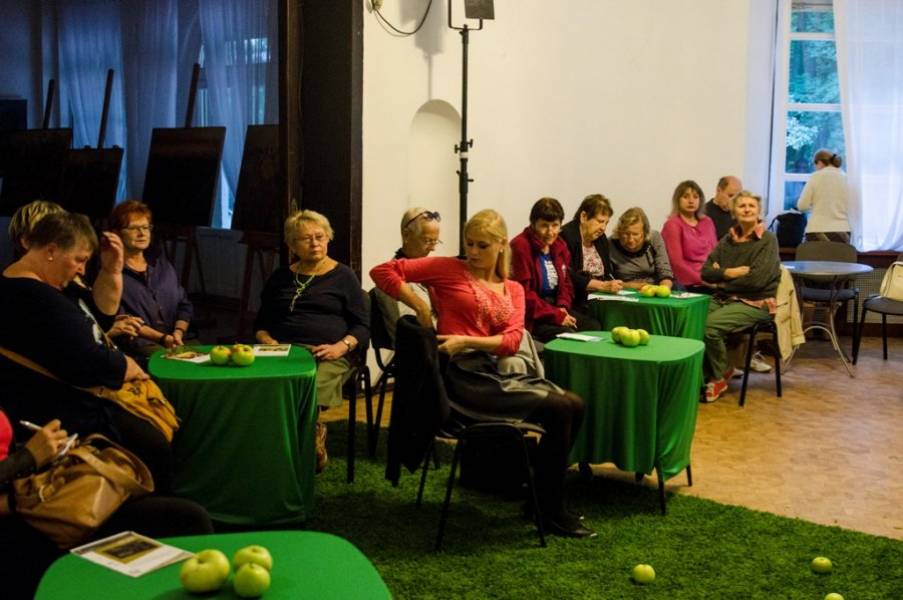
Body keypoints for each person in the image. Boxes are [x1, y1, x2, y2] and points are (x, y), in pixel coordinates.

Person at [371, 209, 594, 538]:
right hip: (462, 380)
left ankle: (541, 499)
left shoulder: (514, 289)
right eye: (469, 244)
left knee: (575, 404)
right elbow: (383, 271)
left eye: (482, 246)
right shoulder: (448, 269)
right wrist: (420, 307)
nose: (472, 252)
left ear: (501, 245)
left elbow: (512, 341)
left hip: (494, 372)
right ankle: (550, 509)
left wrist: (467, 340)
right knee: (561, 408)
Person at [0, 212, 175, 492]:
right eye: (79, 260)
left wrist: (111, 271)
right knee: (153, 445)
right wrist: (123, 366)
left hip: (64, 400)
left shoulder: (46, 286)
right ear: (52, 251)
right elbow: (86, 362)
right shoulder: (34, 297)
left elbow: (99, 319)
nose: (82, 270)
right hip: (59, 414)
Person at [0, 411, 212, 599]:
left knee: (186, 519)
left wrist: (50, 450)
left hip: (39, 499)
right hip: (27, 523)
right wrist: (27, 458)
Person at [254, 210, 370, 470]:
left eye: (320, 236)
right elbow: (261, 323)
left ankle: (305, 443)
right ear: (292, 245)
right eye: (306, 239)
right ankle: (281, 441)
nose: (315, 243)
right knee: (259, 385)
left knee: (309, 387)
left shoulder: (344, 276)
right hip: (282, 350)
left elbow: (363, 326)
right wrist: (267, 340)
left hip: (328, 352)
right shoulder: (280, 277)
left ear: (328, 238)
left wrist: (341, 346)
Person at [699, 191, 781, 403]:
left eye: (751, 206)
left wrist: (722, 277)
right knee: (691, 318)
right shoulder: (728, 239)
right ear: (734, 211)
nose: (746, 209)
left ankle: (717, 377)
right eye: (742, 205)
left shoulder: (768, 240)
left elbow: (758, 281)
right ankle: (718, 369)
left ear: (758, 211)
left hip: (757, 303)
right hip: (727, 298)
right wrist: (730, 273)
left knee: (709, 327)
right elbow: (705, 271)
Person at [109, 201, 193, 362]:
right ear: (116, 233)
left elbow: (184, 304)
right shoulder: (111, 273)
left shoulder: (162, 264)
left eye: (146, 227)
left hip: (176, 339)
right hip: (138, 346)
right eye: (134, 228)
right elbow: (122, 319)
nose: (142, 233)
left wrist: (178, 332)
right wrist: (163, 338)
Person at [510, 198, 601, 343]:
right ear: (533, 224)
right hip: (533, 314)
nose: (550, 232)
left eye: (555, 225)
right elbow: (523, 294)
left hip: (555, 307)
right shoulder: (520, 246)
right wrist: (556, 315)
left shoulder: (560, 245)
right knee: (568, 336)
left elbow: (566, 284)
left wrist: (562, 306)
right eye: (544, 226)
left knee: (593, 327)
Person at [377, 207, 442, 342]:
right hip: (423, 348)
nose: (433, 248)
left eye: (435, 241)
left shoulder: (430, 271)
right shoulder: (391, 279)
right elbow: (412, 328)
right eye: (428, 241)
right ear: (406, 235)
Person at [559, 194, 623, 308]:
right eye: (600, 221)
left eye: (606, 223)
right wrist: (601, 286)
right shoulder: (566, 236)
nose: (603, 228)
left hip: (601, 298)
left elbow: (608, 273)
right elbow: (566, 275)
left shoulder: (601, 239)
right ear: (584, 216)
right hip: (577, 300)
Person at [661, 180, 718, 292]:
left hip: (711, 276)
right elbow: (676, 263)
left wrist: (718, 270)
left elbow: (715, 253)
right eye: (686, 197)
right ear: (678, 200)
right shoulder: (672, 224)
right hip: (689, 282)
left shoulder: (707, 221)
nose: (691, 201)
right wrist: (702, 280)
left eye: (695, 197)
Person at [609, 207, 675, 290]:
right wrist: (632, 286)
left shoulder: (654, 238)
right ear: (619, 231)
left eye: (635, 234)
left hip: (654, 288)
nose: (630, 239)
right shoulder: (610, 244)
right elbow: (608, 281)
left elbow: (665, 273)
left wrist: (663, 289)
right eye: (625, 234)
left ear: (645, 233)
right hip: (624, 291)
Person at [797, 149, 851, 242]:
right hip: (843, 230)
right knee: (840, 256)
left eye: (815, 164)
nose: (815, 168)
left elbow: (802, 206)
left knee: (817, 256)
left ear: (820, 162)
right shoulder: (847, 178)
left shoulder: (816, 177)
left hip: (817, 229)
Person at [705, 176, 742, 240]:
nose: (734, 200)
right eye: (731, 195)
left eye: (737, 197)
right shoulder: (703, 212)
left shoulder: (740, 214)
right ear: (718, 190)